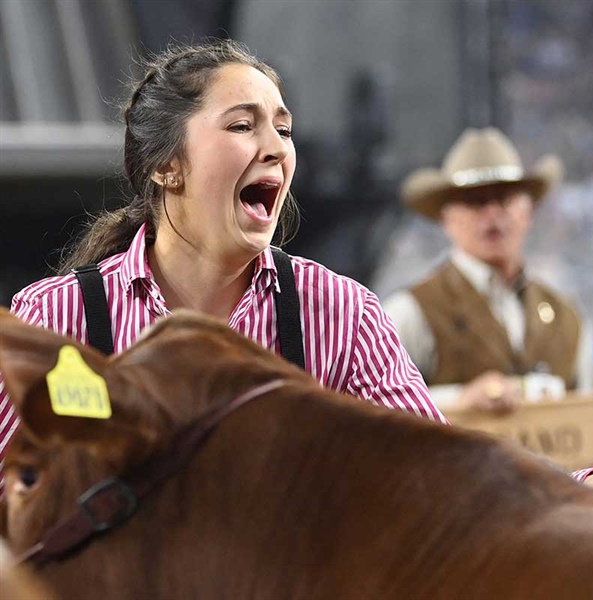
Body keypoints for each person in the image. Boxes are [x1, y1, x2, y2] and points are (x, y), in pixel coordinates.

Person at [0, 39, 446, 488]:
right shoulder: (55, 320)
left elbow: (437, 485)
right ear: (167, 165)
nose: (276, 148)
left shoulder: (344, 318)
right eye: (241, 126)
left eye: (284, 131)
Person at [383, 127, 593, 413]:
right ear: (447, 218)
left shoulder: (567, 316)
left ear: (528, 211)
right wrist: (458, 399)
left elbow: (590, 414)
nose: (493, 214)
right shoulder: (409, 313)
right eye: (475, 201)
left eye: (505, 198)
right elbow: (374, 410)